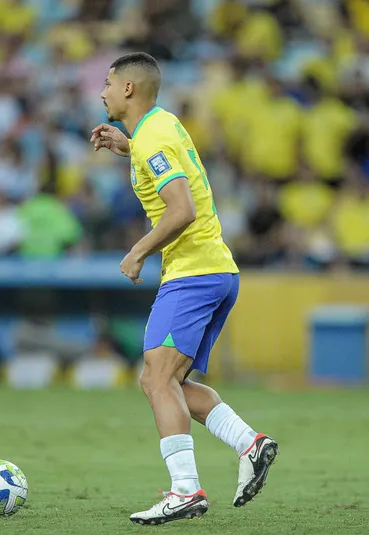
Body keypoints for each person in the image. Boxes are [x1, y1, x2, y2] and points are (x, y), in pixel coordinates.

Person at [90, 52, 278, 525]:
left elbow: (181, 209)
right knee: (166, 381)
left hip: (192, 273)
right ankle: (250, 444)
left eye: (109, 83)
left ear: (128, 88)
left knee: (157, 380)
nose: (103, 91)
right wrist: (128, 146)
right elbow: (168, 165)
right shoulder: (161, 125)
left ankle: (186, 491)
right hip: (215, 271)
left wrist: (138, 251)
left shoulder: (152, 137)